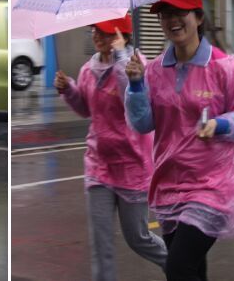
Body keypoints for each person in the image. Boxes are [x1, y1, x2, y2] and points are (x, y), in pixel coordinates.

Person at [124, 0, 234, 281]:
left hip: (213, 185)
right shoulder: (154, 70)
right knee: (193, 269)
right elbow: (143, 123)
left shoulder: (224, 68)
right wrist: (135, 85)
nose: (172, 20)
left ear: (198, 17)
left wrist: (220, 124)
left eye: (180, 12)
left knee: (178, 267)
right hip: (170, 183)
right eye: (165, 14)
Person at [54, 15, 167, 281]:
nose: (97, 36)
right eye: (95, 30)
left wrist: (121, 58)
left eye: (104, 32)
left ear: (121, 36)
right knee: (101, 244)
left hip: (133, 167)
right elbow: (85, 109)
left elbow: (134, 103)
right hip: (99, 167)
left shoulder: (137, 65)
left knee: (138, 238)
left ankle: (178, 267)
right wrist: (69, 89)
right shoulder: (87, 70)